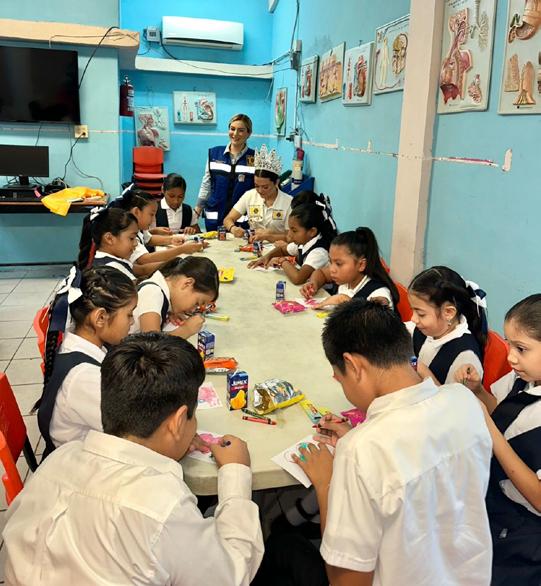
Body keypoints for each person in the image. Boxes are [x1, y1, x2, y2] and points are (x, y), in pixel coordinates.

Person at [257, 300, 492, 586]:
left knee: (281, 545)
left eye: (340, 379)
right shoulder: (464, 401)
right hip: (464, 576)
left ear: (354, 366)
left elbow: (345, 582)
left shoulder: (360, 451)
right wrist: (360, 435)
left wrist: (327, 482)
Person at [3, 333, 264, 585]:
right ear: (176, 423)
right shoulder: (164, 507)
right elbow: (232, 574)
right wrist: (236, 471)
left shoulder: (59, 458)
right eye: (192, 417)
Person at [455, 294, 541, 585]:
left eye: (521, 348)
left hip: (524, 529)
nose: (510, 357)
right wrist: (479, 391)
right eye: (508, 344)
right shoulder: (524, 378)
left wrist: (490, 432)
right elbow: (505, 416)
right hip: (494, 498)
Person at [34, 266, 137, 458]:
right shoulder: (85, 377)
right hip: (76, 464)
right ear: (100, 318)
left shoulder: (82, 341)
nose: (132, 322)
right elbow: (131, 433)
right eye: (129, 314)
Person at [407, 266, 488, 385]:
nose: (413, 319)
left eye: (421, 314)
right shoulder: (428, 329)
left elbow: (454, 397)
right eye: (412, 310)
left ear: (449, 312)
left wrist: (420, 369)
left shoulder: (465, 357)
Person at [300, 227, 399, 310]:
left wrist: (344, 300)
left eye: (338, 264)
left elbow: (378, 319)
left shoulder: (378, 293)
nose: (332, 269)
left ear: (361, 265)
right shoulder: (347, 277)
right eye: (330, 262)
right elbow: (321, 273)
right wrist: (314, 284)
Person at [248, 193, 337, 285]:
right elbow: (282, 250)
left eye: (294, 231)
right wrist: (266, 257)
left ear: (312, 231)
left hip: (321, 292)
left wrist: (282, 261)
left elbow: (298, 279)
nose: (289, 234)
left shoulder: (318, 252)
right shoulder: (304, 242)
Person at [112, 187, 207, 267]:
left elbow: (149, 239)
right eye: (151, 214)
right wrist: (182, 249)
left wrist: (171, 240)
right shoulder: (130, 234)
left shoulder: (139, 229)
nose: (153, 219)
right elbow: (144, 259)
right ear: (136, 212)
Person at [131, 256, 219, 339]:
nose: (193, 310)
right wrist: (186, 330)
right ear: (187, 284)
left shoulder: (159, 289)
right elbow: (152, 345)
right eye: (196, 303)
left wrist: (169, 311)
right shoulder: (152, 293)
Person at [195, 113, 255, 230]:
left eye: (241, 130)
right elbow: (206, 184)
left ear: (249, 133)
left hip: (240, 219)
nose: (235, 134)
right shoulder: (214, 153)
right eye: (232, 129)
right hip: (215, 217)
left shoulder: (255, 158)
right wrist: (197, 209)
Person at [223, 145, 291, 243]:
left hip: (277, 248)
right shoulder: (250, 195)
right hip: (253, 246)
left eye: (265, 187)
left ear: (276, 182)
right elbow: (228, 219)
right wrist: (233, 228)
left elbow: (291, 237)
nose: (260, 191)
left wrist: (268, 236)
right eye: (256, 186)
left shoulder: (289, 202)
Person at [78, 206, 153, 280]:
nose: (136, 243)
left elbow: (143, 270)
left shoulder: (112, 259)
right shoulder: (110, 269)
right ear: (109, 239)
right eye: (131, 238)